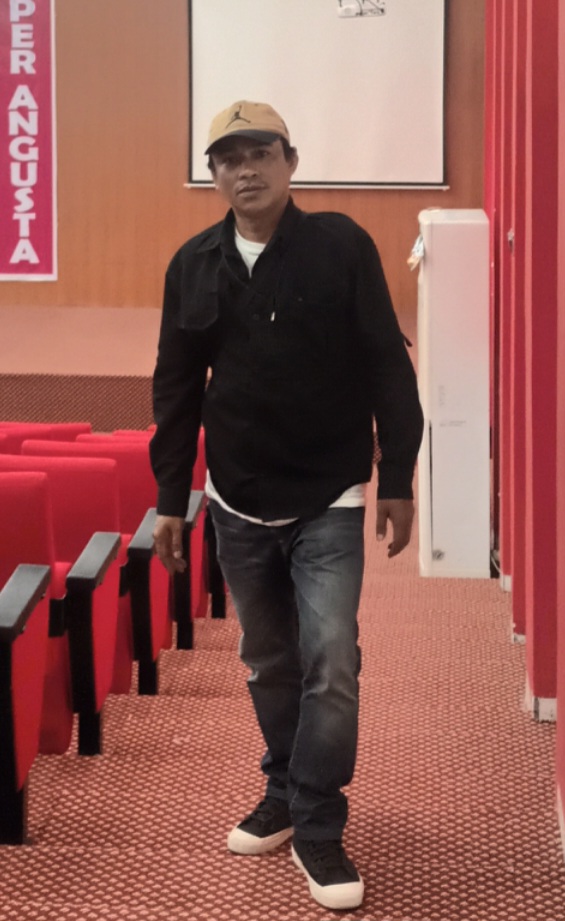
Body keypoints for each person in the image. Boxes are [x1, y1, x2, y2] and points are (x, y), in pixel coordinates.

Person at [150, 99, 423, 911]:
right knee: (269, 660)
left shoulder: (341, 246)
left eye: (260, 154)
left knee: (330, 658)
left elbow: (385, 362)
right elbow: (175, 388)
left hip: (327, 492)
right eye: (228, 159)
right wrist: (170, 495)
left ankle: (316, 823)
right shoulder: (192, 264)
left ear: (290, 162)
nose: (246, 170)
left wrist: (397, 476)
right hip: (237, 496)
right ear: (213, 175)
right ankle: (284, 786)